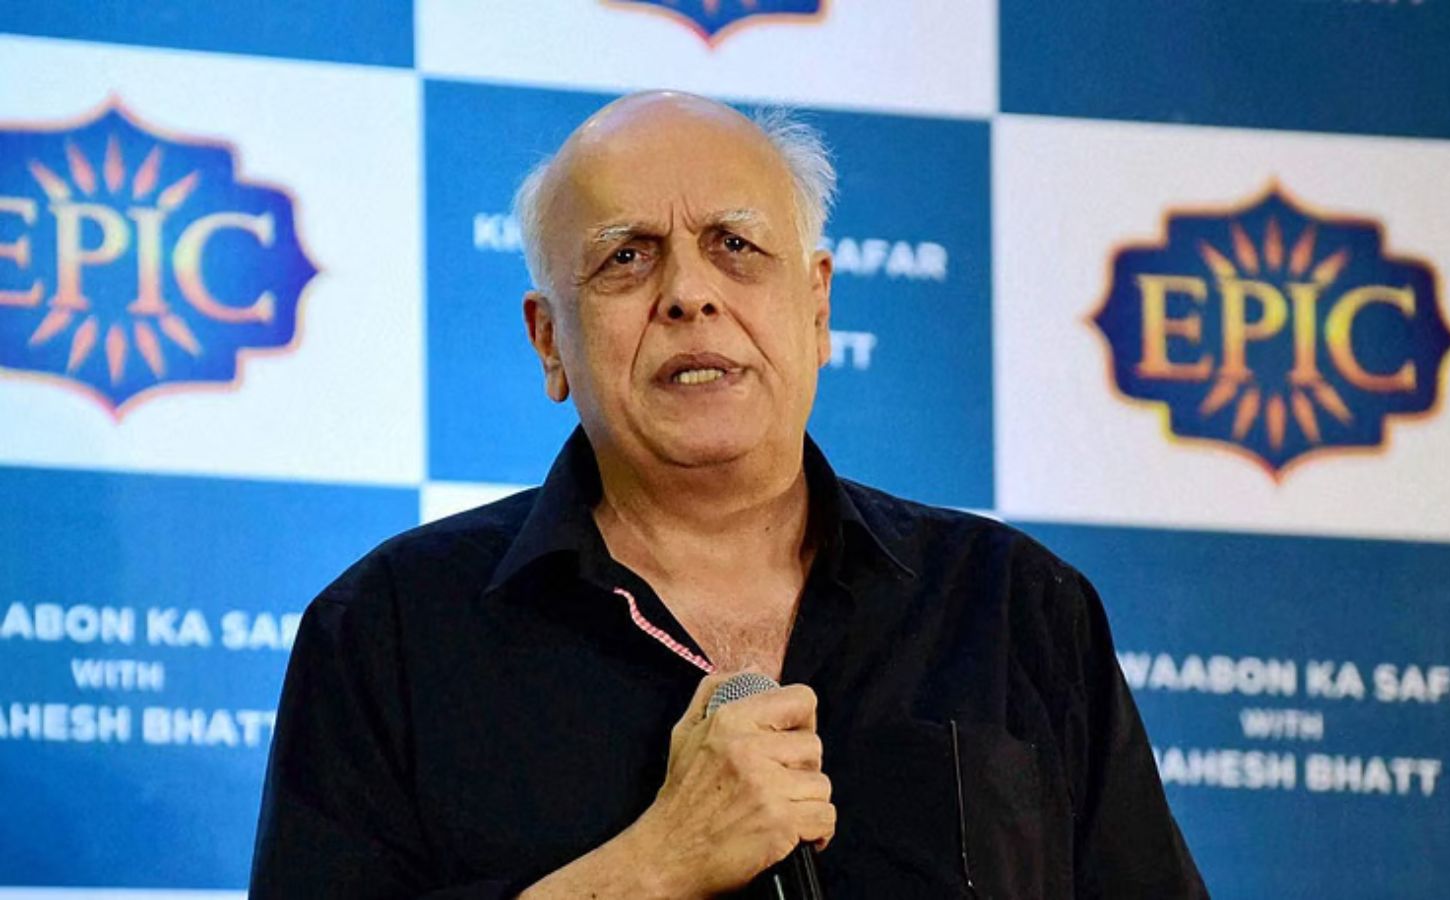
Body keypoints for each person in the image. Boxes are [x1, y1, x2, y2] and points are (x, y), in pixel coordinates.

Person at [249, 91, 1208, 899]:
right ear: (549, 341)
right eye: (627, 256)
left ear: (818, 306)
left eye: (736, 245)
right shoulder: (386, 633)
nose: (689, 294)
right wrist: (651, 868)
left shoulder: (1014, 607)